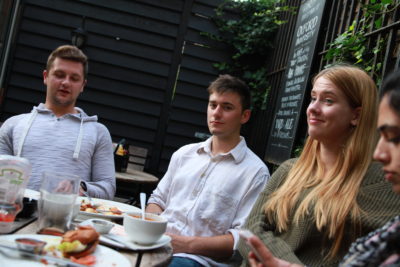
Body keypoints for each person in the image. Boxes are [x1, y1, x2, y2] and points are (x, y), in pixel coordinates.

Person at [238, 65, 400, 266]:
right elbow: (250, 229)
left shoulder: (385, 180)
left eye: (328, 100)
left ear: (356, 116)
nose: (313, 108)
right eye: (313, 98)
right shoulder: (291, 169)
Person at [146, 74, 270, 267]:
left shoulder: (255, 173)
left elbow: (242, 238)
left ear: (245, 116)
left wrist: (186, 245)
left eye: (227, 107)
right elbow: (157, 200)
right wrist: (153, 227)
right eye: (213, 105)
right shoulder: (184, 154)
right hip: (156, 245)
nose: (216, 113)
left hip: (199, 261)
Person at [0, 45, 115, 199]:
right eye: (59, 75)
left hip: (68, 220)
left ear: (82, 85)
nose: (66, 82)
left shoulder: (98, 132)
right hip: (14, 219)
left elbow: (108, 189)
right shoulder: (12, 125)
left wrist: (80, 187)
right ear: (46, 76)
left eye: (74, 78)